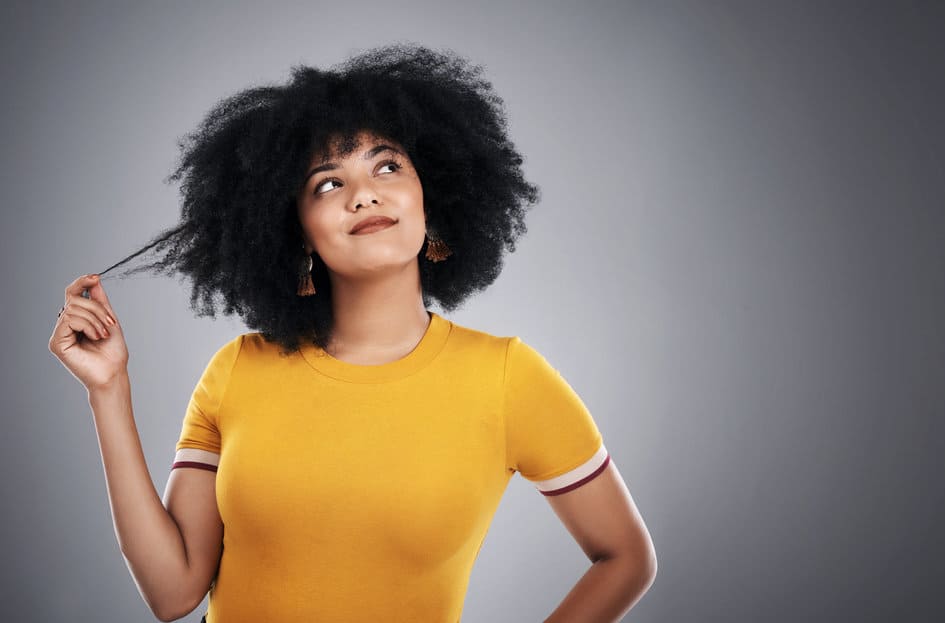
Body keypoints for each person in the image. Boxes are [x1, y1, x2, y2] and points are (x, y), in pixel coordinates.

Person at [48, 43, 656, 623]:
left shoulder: (507, 377)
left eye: (387, 165)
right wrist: (109, 389)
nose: (364, 194)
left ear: (430, 197)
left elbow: (626, 558)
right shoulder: (238, 369)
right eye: (328, 183)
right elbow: (173, 592)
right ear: (298, 232)